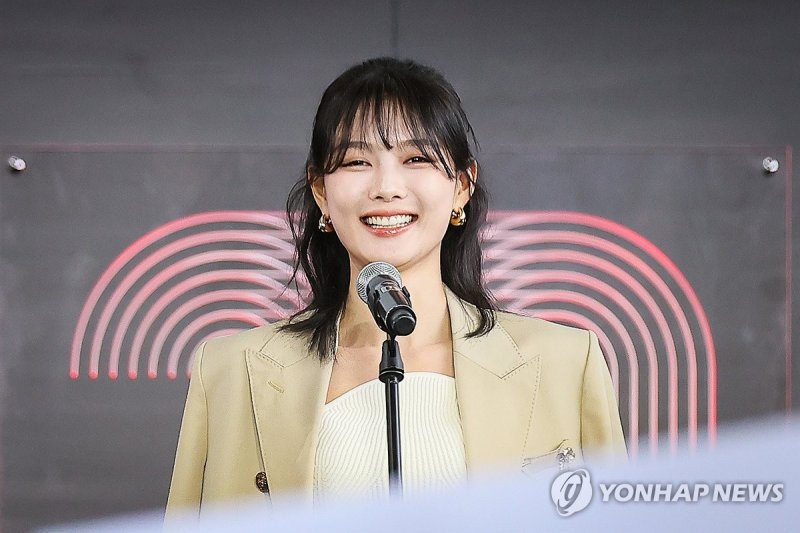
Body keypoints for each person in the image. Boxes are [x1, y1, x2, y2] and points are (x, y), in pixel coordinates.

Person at [165, 57, 626, 518]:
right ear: (321, 190)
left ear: (462, 185)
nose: (386, 187)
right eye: (356, 161)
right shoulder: (229, 372)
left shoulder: (566, 362)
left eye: (416, 158)